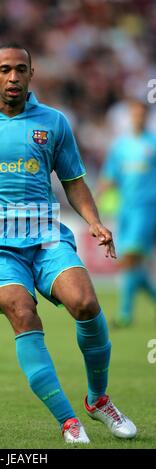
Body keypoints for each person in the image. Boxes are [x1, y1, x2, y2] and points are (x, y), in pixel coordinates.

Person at [0, 43, 136, 444]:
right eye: (4, 70)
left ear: (31, 74)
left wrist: (94, 221)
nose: (12, 78)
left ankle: (98, 399)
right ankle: (67, 420)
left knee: (86, 303)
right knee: (23, 312)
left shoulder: (54, 122)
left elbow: (73, 180)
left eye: (20, 70)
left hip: (45, 235)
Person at [98, 99, 156, 327]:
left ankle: (125, 315)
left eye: (142, 114)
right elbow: (109, 175)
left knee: (131, 258)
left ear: (147, 116)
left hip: (148, 208)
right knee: (129, 264)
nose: (138, 118)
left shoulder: (152, 144)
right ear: (131, 116)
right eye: (135, 114)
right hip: (126, 210)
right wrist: (96, 198)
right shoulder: (121, 146)